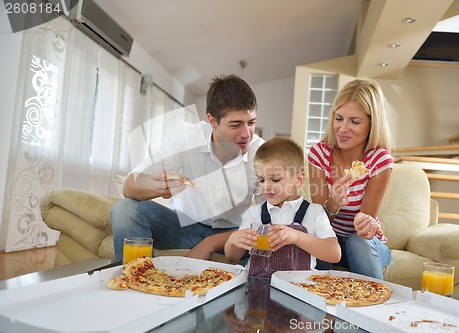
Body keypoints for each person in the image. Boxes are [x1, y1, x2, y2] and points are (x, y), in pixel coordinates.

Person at [111, 74, 265, 262]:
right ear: (212, 121)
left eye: (251, 123)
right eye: (236, 125)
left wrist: (210, 243)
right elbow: (129, 186)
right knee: (125, 210)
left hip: (233, 236)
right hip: (182, 228)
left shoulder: (262, 153)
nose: (246, 134)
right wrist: (160, 187)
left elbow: (270, 220)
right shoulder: (186, 137)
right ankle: (139, 278)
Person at [308, 78, 393, 280]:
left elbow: (362, 227)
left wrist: (370, 224)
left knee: (357, 242)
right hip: (330, 239)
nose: (343, 129)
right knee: (318, 239)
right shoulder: (318, 154)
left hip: (366, 243)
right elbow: (319, 222)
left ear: (372, 124)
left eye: (354, 121)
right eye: (339, 118)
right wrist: (333, 204)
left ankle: (374, 305)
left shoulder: (379, 160)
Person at [224, 137, 341, 277]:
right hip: (257, 289)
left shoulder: (314, 212)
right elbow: (232, 258)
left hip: (298, 291)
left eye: (275, 179)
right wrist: (232, 241)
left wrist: (296, 237)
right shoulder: (254, 213)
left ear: (298, 180)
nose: (266, 186)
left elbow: (334, 254)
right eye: (261, 180)